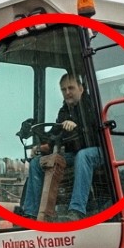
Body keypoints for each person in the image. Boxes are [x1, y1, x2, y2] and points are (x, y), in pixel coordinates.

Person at [18, 72, 104, 221]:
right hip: (75, 155)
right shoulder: (64, 111)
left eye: (71, 88)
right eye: (64, 89)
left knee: (83, 156)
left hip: (101, 151)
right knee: (37, 163)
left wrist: (77, 127)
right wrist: (41, 145)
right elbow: (54, 135)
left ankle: (76, 210)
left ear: (81, 88)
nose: (67, 92)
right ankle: (31, 213)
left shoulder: (92, 105)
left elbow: (95, 133)